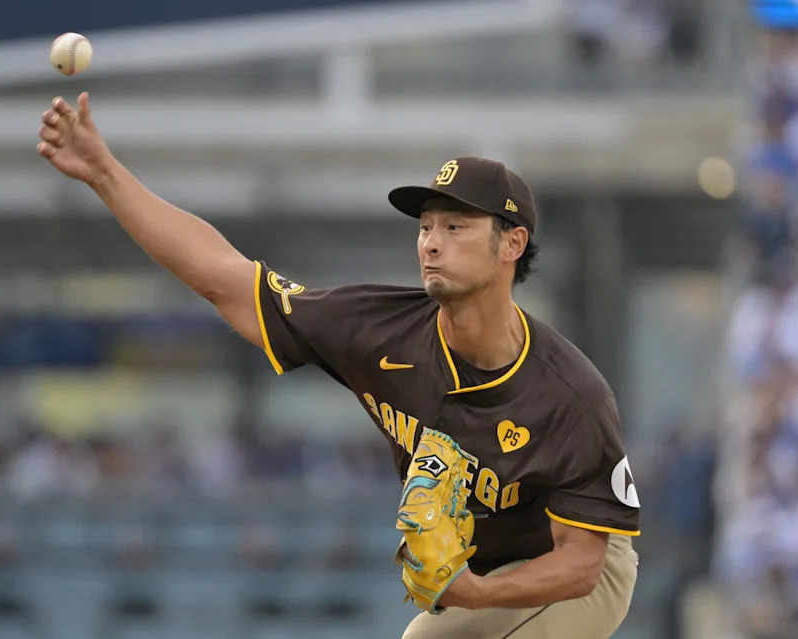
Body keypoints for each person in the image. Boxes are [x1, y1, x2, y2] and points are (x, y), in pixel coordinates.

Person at [37, 93, 640, 639]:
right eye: (426, 226)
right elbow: (223, 278)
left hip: (576, 567)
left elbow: (580, 564)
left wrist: (479, 591)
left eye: (456, 226)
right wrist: (102, 173)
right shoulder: (373, 327)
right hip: (496, 568)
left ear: (511, 244)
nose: (430, 242)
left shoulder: (570, 394)